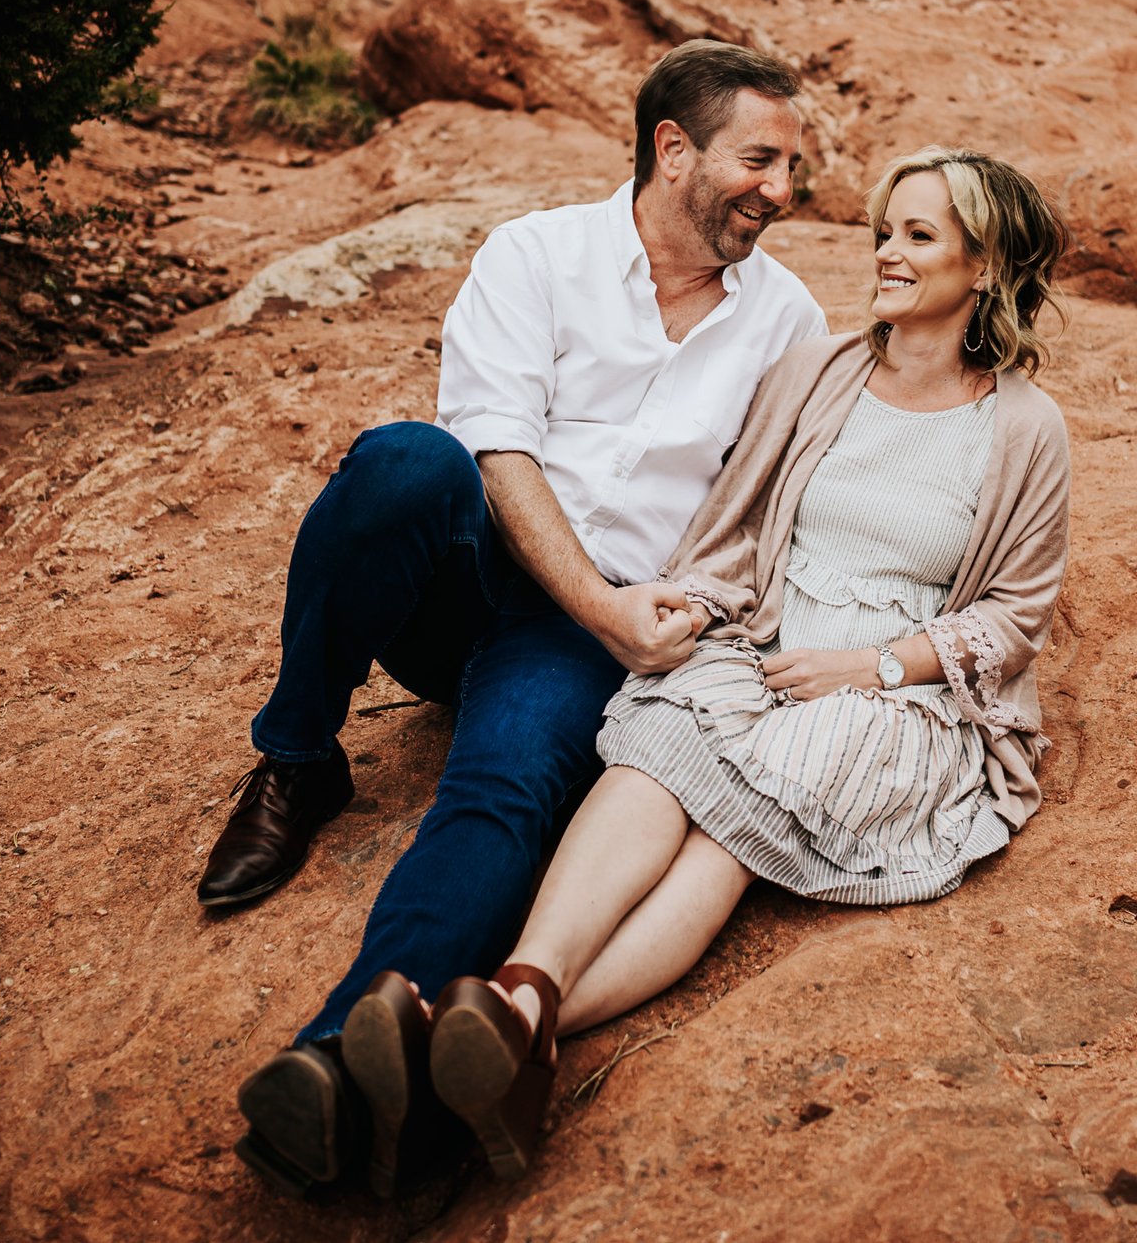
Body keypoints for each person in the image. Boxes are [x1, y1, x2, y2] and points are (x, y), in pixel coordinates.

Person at [214, 39, 827, 1196]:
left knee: (504, 792)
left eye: (791, 167)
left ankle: (339, 1060)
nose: (780, 190)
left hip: (585, 639)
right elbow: (496, 441)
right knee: (402, 463)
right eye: (760, 158)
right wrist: (595, 598)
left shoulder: (787, 318)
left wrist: (662, 615)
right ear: (673, 148)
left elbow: (766, 503)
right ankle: (296, 760)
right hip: (480, 570)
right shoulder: (536, 253)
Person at [420, 148, 1072, 1179]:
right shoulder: (820, 367)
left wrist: (872, 665)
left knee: (726, 823)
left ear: (985, 265)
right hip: (765, 632)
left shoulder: (1025, 428)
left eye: (917, 236)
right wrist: (699, 603)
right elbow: (740, 520)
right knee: (658, 752)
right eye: (885, 232)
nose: (886, 255)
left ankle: (493, 1028)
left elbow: (1012, 614)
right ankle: (522, 1003)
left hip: (891, 689)